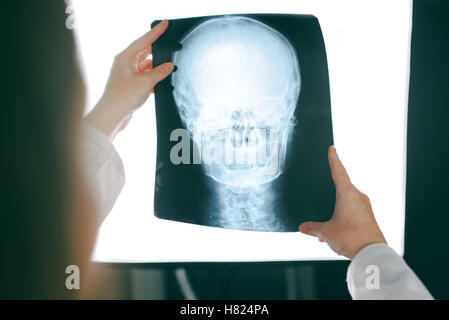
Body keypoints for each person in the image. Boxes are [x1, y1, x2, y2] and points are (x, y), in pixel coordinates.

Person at [3, 1, 432, 299]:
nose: (244, 131)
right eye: (221, 114)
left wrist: (102, 120)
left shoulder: (24, 259)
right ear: (187, 115)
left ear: (290, 115)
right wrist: (369, 250)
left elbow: (41, 226)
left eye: (265, 111)